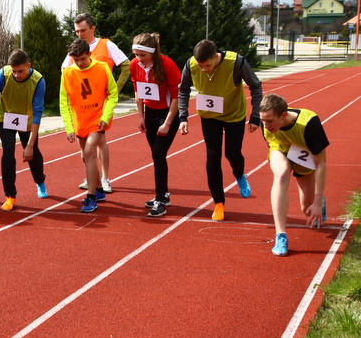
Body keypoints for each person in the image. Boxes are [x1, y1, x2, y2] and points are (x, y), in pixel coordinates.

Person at [178, 39, 262, 221]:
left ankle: (239, 175)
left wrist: (256, 116)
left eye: (207, 65)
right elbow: (183, 90)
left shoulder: (237, 62)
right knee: (213, 156)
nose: (204, 70)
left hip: (234, 115)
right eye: (200, 66)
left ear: (216, 57)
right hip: (209, 116)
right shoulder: (191, 64)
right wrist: (183, 116)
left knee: (232, 153)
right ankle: (218, 203)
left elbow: (256, 86)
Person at [61, 13, 130, 194]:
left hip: (100, 104)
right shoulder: (75, 50)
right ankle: (93, 177)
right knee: (86, 148)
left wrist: (115, 88)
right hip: (82, 107)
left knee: (99, 142)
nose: (80, 34)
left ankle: (104, 178)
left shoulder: (107, 45)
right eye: (77, 31)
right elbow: (65, 70)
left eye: (83, 30)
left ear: (93, 28)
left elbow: (126, 65)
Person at [259, 93, 329, 256]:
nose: (266, 125)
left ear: (283, 115)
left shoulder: (310, 124)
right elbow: (271, 141)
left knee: (307, 209)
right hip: (280, 148)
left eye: (269, 121)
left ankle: (321, 201)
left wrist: (317, 202)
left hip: (304, 156)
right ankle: (280, 235)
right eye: (263, 120)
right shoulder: (267, 123)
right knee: (281, 174)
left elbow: (321, 164)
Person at [60, 38, 118, 213]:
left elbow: (113, 94)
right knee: (86, 157)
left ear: (90, 54)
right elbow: (64, 103)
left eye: (82, 59)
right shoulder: (67, 73)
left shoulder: (102, 68)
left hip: (97, 120)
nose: (79, 63)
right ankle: (99, 189)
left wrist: (106, 117)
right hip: (80, 122)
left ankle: (91, 196)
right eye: (76, 60)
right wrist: (69, 127)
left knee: (90, 151)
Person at [0, 49, 47, 211]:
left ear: (29, 66)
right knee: (7, 154)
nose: (17, 74)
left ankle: (40, 181)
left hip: (27, 120)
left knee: (32, 153)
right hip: (5, 117)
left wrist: (29, 145)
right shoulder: (2, 75)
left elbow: (37, 113)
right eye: (14, 71)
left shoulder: (38, 81)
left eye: (20, 71)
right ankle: (10, 195)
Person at [129, 33, 181, 217]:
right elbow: (138, 91)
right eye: (136, 54)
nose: (139, 58)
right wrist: (141, 116)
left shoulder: (167, 65)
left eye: (143, 55)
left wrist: (167, 123)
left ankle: (160, 200)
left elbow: (176, 97)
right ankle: (163, 195)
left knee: (158, 154)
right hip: (150, 112)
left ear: (153, 52)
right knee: (157, 155)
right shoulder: (134, 65)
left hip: (168, 113)